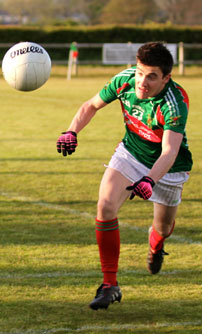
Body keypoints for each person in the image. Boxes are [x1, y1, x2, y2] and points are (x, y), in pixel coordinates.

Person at [56, 42, 192, 310]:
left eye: (152, 76)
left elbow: (169, 151)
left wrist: (150, 180)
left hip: (168, 168)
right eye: (141, 73)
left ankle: (156, 244)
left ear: (166, 77)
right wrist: (71, 131)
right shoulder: (125, 80)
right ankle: (110, 285)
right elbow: (90, 105)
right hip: (130, 154)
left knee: (163, 227)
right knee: (105, 205)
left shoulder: (175, 102)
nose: (143, 82)